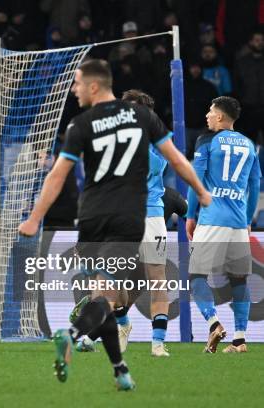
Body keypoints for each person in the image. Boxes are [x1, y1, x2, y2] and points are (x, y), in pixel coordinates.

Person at [18, 59, 211, 391]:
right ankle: (77, 333)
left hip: (92, 215)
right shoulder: (143, 122)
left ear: (94, 86)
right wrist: (201, 192)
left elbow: (58, 174)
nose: (74, 90)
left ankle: (120, 368)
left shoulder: (81, 125)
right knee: (109, 295)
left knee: (107, 292)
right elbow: (178, 160)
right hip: (128, 215)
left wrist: (35, 217)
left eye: (77, 83)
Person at [75, 90, 188, 358]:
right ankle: (106, 329)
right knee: (109, 282)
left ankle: (158, 343)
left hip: (150, 217)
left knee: (157, 280)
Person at [187, 96, 261, 354]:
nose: (207, 114)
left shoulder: (206, 140)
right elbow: (254, 185)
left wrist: (189, 215)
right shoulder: (249, 144)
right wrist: (249, 219)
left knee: (196, 275)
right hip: (239, 222)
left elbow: (195, 179)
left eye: (210, 110)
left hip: (212, 218)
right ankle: (240, 340)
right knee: (239, 280)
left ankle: (213, 323)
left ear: (219, 117)